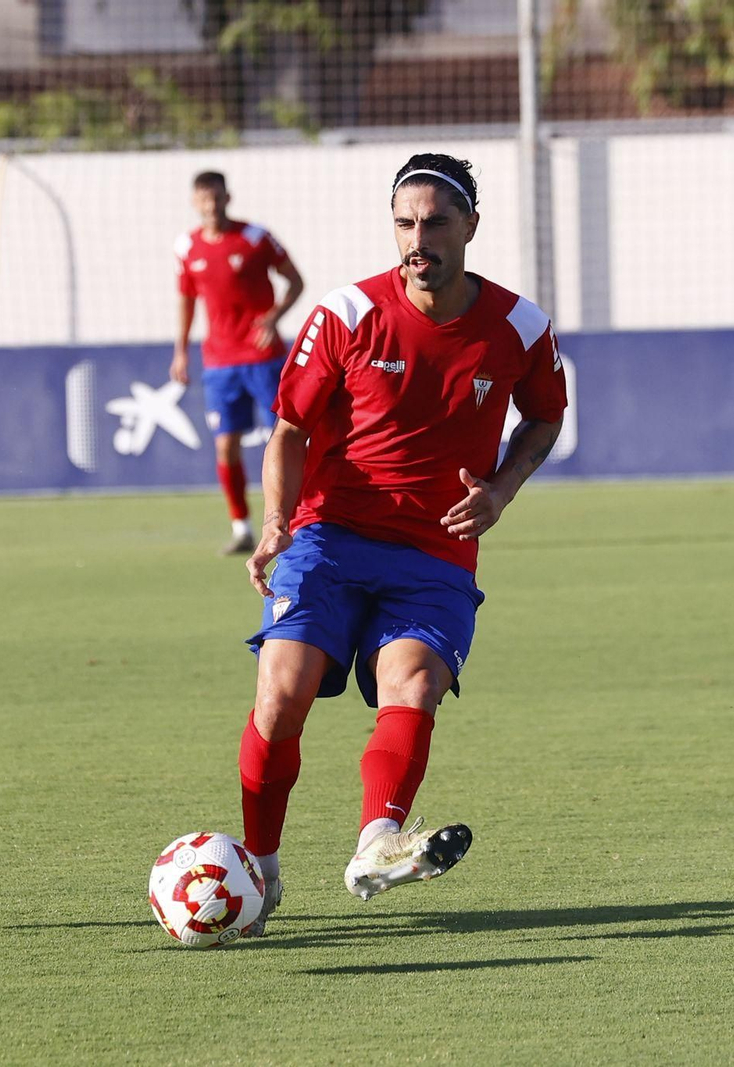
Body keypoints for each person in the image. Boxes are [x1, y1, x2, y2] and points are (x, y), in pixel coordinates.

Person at [234, 153, 567, 936]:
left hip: (434, 554)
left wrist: (501, 489)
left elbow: (545, 415)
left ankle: (378, 842)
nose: (418, 240)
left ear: (471, 228)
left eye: (436, 223)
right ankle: (259, 868)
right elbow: (289, 428)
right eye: (405, 224)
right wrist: (277, 518)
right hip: (330, 536)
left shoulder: (520, 327)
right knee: (280, 692)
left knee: (411, 685)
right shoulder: (348, 314)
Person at [171, 171, 304, 555]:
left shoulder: (255, 238)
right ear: (195, 202)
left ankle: (294, 520)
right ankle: (241, 527)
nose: (211, 206)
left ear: (227, 197)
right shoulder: (187, 247)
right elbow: (186, 300)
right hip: (219, 362)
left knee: (282, 439)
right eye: (203, 199)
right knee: (225, 445)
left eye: (216, 198)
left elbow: (295, 281)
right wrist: (181, 350)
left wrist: (274, 317)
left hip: (262, 357)